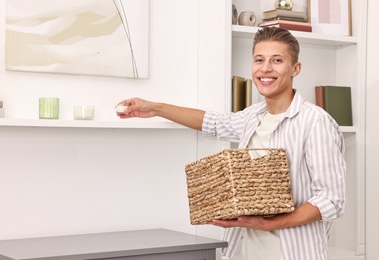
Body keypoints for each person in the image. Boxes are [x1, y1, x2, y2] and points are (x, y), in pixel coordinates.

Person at [116, 27, 346, 260]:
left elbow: (331, 200)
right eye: (259, 60)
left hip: (291, 253)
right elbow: (212, 122)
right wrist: (154, 108)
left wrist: (272, 224)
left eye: (277, 60)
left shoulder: (315, 122)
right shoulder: (253, 116)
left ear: (295, 68)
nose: (266, 68)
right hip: (244, 252)